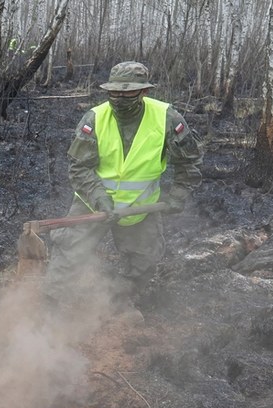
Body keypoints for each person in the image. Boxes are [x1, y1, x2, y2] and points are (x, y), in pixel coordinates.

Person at [44, 61, 203, 322]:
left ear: (144, 92)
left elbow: (189, 161)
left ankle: (116, 303)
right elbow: (79, 168)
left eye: (128, 93)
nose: (120, 98)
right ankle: (50, 309)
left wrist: (178, 194)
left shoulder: (167, 118)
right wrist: (99, 198)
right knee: (69, 250)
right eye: (114, 93)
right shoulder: (94, 119)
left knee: (144, 259)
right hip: (92, 201)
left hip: (140, 206)